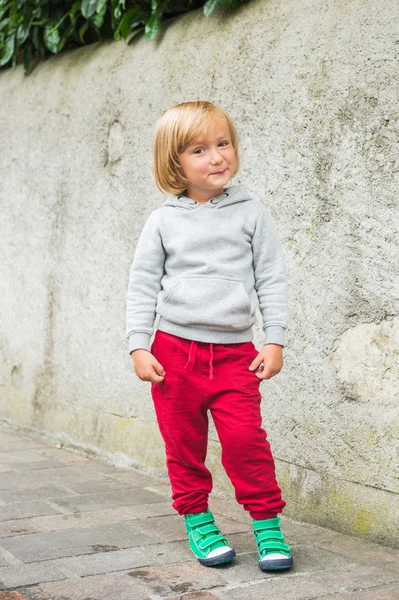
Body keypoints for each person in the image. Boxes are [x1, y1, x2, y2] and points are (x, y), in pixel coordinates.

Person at [125, 100, 293, 572]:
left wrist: (274, 338)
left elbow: (271, 280)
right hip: (173, 354)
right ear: (174, 162)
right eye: (200, 149)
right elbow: (142, 285)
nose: (217, 156)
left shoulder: (252, 214)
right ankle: (197, 518)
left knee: (246, 442)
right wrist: (139, 344)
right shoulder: (162, 221)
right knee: (183, 443)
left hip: (237, 353)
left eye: (223, 144)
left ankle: (266, 525)